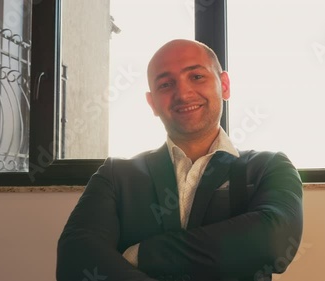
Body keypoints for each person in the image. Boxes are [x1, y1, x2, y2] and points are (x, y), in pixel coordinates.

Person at [56, 39, 303, 281]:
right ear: (152, 102)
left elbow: (274, 242)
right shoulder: (115, 175)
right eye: (165, 84)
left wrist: (145, 254)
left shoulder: (268, 167)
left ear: (224, 85)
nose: (183, 94)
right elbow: (75, 260)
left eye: (196, 77)